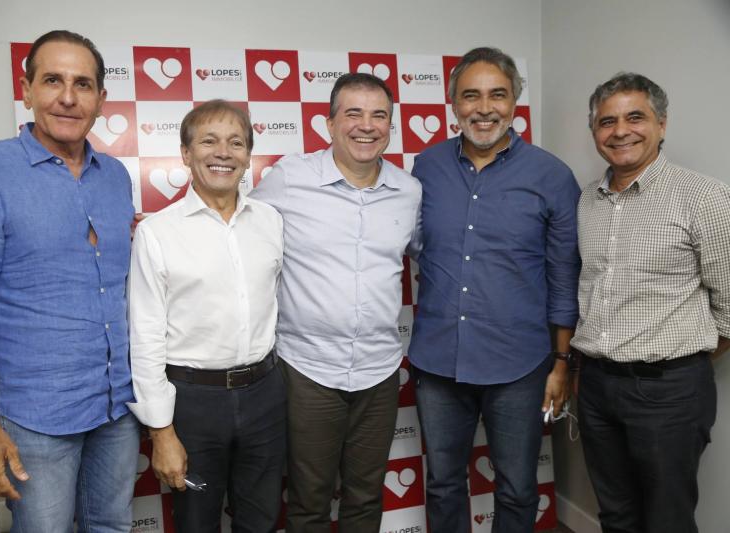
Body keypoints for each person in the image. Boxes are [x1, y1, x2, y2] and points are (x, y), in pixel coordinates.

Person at [0, 30, 139, 532]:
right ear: (26, 90)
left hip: (117, 408)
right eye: (52, 80)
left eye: (82, 84)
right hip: (34, 419)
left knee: (112, 527)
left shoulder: (115, 176)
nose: (68, 97)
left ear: (101, 99)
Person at [408, 47, 581, 532]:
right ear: (453, 104)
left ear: (514, 102)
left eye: (497, 95)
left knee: (518, 487)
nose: (484, 108)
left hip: (519, 365)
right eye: (471, 95)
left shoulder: (552, 176)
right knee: (443, 484)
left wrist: (561, 363)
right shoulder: (426, 167)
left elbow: (564, 278)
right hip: (438, 361)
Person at [249, 72, 422, 532]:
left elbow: (436, 255)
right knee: (309, 501)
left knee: (365, 498)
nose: (366, 125)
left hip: (379, 370)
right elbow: (239, 227)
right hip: (308, 369)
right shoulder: (291, 178)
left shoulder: (409, 191)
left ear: (390, 126)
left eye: (378, 115)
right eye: (353, 113)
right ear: (329, 123)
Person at [571, 72, 730, 533]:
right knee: (616, 515)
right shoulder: (587, 201)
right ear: (594, 131)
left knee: (667, 520)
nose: (620, 131)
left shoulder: (704, 197)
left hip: (669, 391)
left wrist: (679, 362)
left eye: (635, 118)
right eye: (607, 122)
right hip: (596, 386)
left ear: (661, 124)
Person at [127, 100, 286, 532]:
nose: (223, 153)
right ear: (185, 153)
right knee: (196, 523)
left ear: (248, 156)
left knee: (262, 520)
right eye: (209, 141)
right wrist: (161, 431)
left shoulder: (271, 221)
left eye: (236, 143)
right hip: (193, 404)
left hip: (265, 395)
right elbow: (144, 335)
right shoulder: (157, 232)